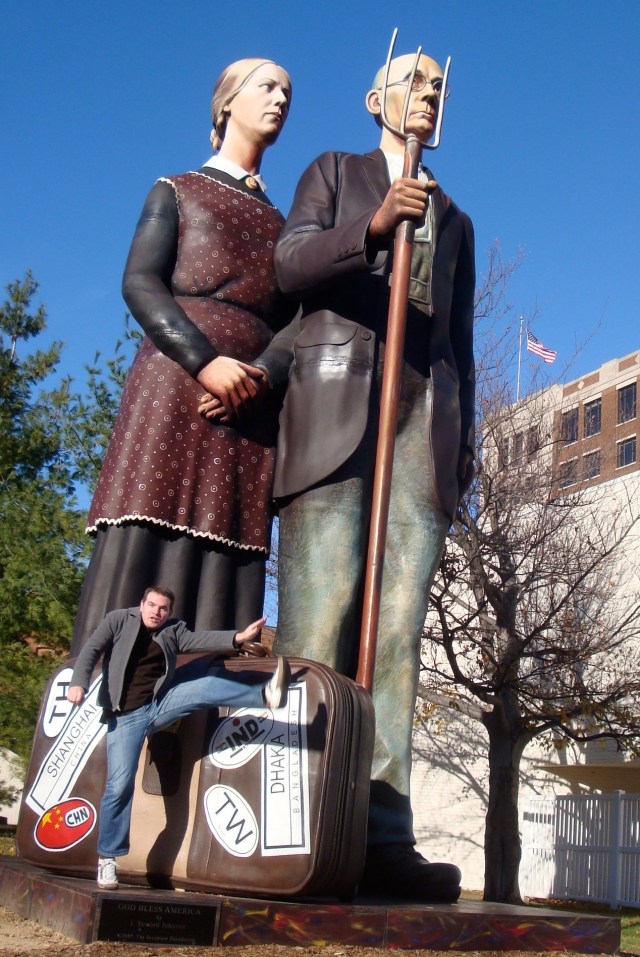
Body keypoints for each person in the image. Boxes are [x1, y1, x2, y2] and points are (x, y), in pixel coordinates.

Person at [254, 50, 475, 901]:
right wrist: (377, 224)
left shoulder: (455, 219)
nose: (430, 96)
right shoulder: (335, 173)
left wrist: (461, 440)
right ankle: (298, 819)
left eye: (439, 88)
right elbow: (291, 267)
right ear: (377, 96)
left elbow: (454, 340)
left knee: (397, 633)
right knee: (322, 612)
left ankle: (384, 831)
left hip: (419, 421)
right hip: (338, 404)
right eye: (417, 82)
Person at [70, 59, 296, 656]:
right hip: (173, 387)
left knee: (230, 547)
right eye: (267, 87)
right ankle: (104, 703)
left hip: (248, 408)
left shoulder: (286, 225)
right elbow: (141, 282)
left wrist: (264, 374)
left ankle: (201, 721)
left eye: (287, 93)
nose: (280, 100)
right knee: (146, 530)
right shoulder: (175, 189)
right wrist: (205, 362)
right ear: (226, 103)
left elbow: (296, 319)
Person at [67, 586, 291, 890]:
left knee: (206, 686)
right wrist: (78, 682)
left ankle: (263, 694)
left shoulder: (172, 631)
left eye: (163, 608)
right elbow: (93, 648)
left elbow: (200, 640)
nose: (156, 612)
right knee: (118, 786)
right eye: (152, 605)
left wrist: (238, 637)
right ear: (141, 604)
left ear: (168, 612)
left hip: (159, 703)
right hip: (126, 717)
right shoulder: (118, 620)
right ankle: (108, 859)